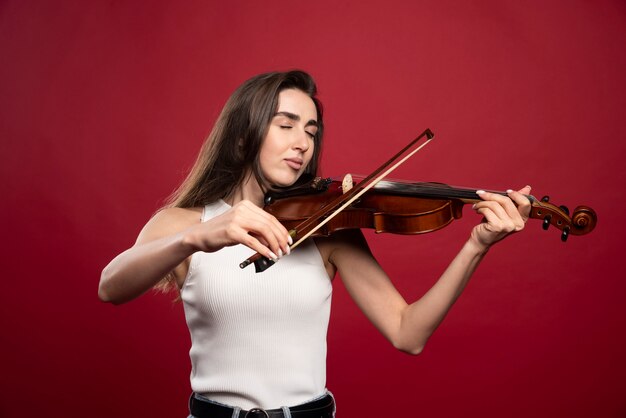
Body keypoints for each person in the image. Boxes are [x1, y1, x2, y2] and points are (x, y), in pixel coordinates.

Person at [98, 70, 531, 418]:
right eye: (285, 125)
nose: (302, 143)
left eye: (310, 130)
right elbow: (111, 287)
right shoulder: (183, 224)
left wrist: (476, 245)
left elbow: (408, 333)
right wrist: (197, 237)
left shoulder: (328, 228)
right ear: (244, 135)